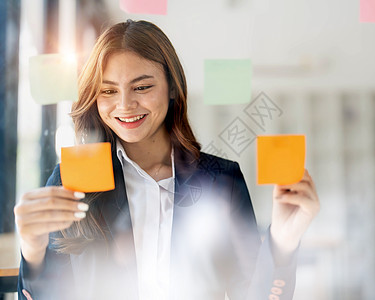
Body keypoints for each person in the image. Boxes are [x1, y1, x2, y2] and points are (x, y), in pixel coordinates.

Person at [14, 20, 320, 300]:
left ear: (172, 87)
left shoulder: (222, 181)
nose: (125, 104)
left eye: (142, 87)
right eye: (108, 90)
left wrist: (283, 240)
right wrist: (33, 249)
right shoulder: (72, 181)